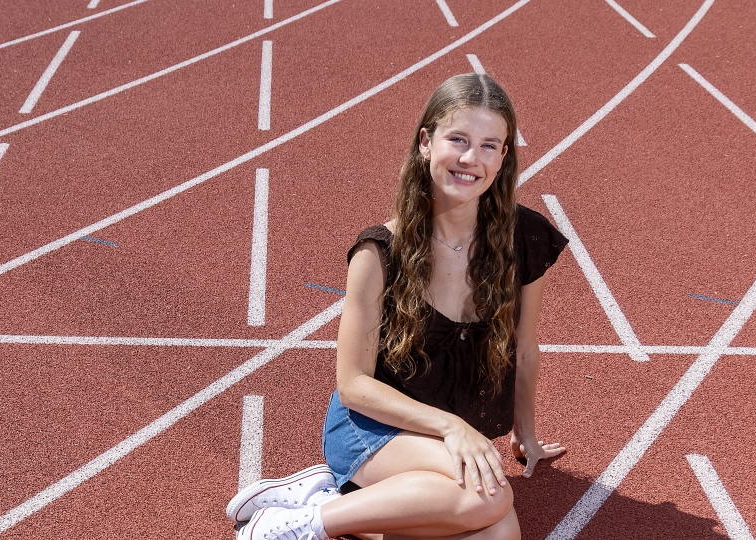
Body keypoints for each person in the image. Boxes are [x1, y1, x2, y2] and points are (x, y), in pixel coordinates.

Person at [227, 73, 569, 540]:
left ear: (504, 156)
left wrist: (524, 432)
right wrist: (451, 427)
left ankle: (329, 500)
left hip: (447, 434)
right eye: (458, 140)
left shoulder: (522, 237)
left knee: (499, 534)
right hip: (374, 427)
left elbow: (524, 348)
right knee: (492, 501)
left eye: (490, 145)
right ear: (426, 142)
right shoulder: (379, 253)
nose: (472, 159)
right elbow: (352, 386)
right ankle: (310, 525)